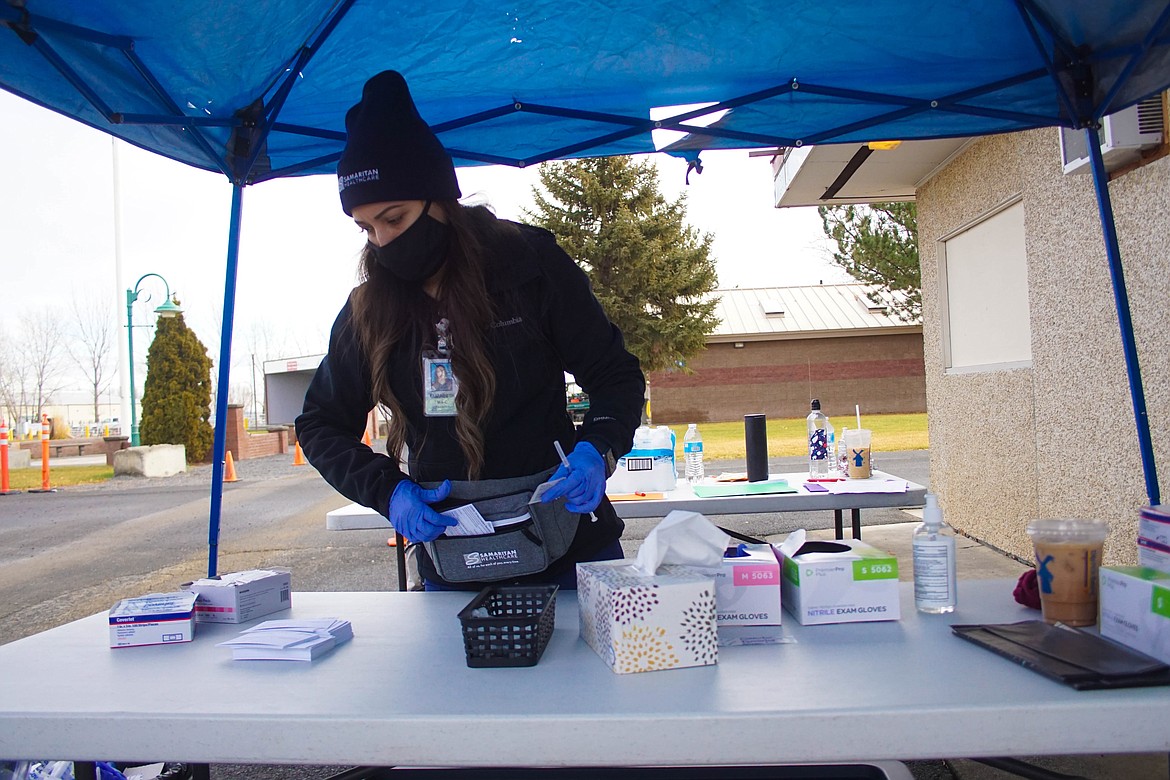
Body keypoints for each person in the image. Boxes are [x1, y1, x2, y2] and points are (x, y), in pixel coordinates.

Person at [295, 71, 645, 591]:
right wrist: (389, 492)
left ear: (439, 198)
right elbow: (320, 424)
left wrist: (599, 449)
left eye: (394, 218)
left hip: (569, 544)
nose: (383, 240)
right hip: (454, 552)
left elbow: (614, 374)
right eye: (366, 228)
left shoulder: (529, 266)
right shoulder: (370, 309)